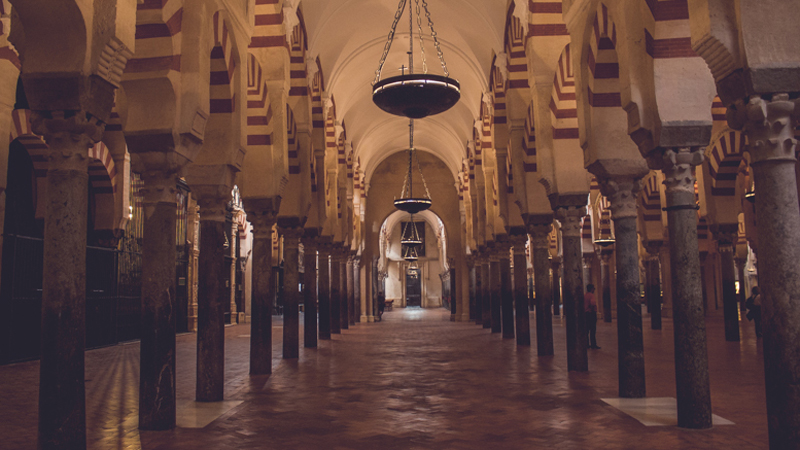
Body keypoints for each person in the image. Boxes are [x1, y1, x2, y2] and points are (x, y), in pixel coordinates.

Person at [585, 284, 600, 349]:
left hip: (585, 314)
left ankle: (586, 344)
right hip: (591, 314)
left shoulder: (585, 295)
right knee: (592, 330)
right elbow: (593, 303)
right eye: (594, 288)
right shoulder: (591, 295)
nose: (594, 290)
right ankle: (593, 344)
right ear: (591, 289)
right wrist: (592, 310)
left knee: (586, 330)